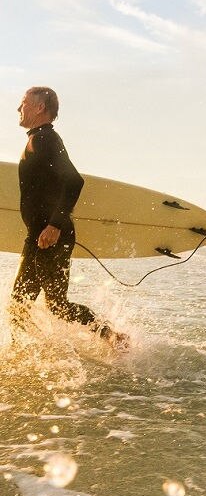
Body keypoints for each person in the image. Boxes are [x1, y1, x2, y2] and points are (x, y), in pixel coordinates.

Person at [9, 86, 128, 349]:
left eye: (24, 103)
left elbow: (74, 181)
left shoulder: (45, 140)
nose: (19, 108)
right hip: (39, 237)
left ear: (40, 108)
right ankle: (26, 352)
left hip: (50, 236)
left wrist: (54, 225)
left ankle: (111, 337)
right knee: (25, 304)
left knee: (49, 306)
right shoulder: (37, 138)